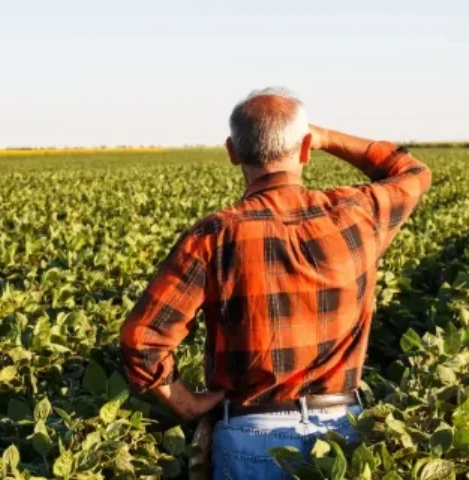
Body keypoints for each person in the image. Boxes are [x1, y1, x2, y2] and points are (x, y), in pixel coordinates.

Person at [119, 87, 432, 478]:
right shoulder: (357, 213)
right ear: (306, 149)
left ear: (232, 151)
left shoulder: (214, 235)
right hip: (340, 433)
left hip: (250, 436)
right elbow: (413, 173)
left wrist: (186, 403)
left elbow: (142, 339)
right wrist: (327, 138)